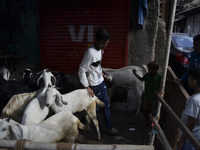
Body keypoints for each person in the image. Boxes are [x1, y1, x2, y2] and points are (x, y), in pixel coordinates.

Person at [78, 29, 119, 135]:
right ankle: (80, 125)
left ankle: (108, 128)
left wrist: (101, 74)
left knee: (106, 104)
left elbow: (96, 65)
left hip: (100, 82)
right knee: (93, 108)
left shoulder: (101, 50)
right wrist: (87, 87)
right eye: (102, 43)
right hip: (93, 86)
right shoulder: (90, 53)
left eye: (106, 44)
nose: (105, 46)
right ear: (96, 40)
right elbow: (81, 70)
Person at [132, 61, 174, 127]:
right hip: (147, 96)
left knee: (154, 112)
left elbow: (167, 81)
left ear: (155, 70)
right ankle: (146, 121)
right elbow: (141, 79)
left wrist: (175, 81)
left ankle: (154, 124)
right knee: (145, 110)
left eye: (150, 69)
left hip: (154, 98)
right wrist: (135, 73)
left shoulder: (160, 77)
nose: (148, 71)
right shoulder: (147, 75)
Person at [177, 67, 200, 150]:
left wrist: (182, 141)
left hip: (189, 140)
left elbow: (191, 124)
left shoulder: (194, 100)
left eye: (189, 78)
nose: (188, 80)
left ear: (194, 81)